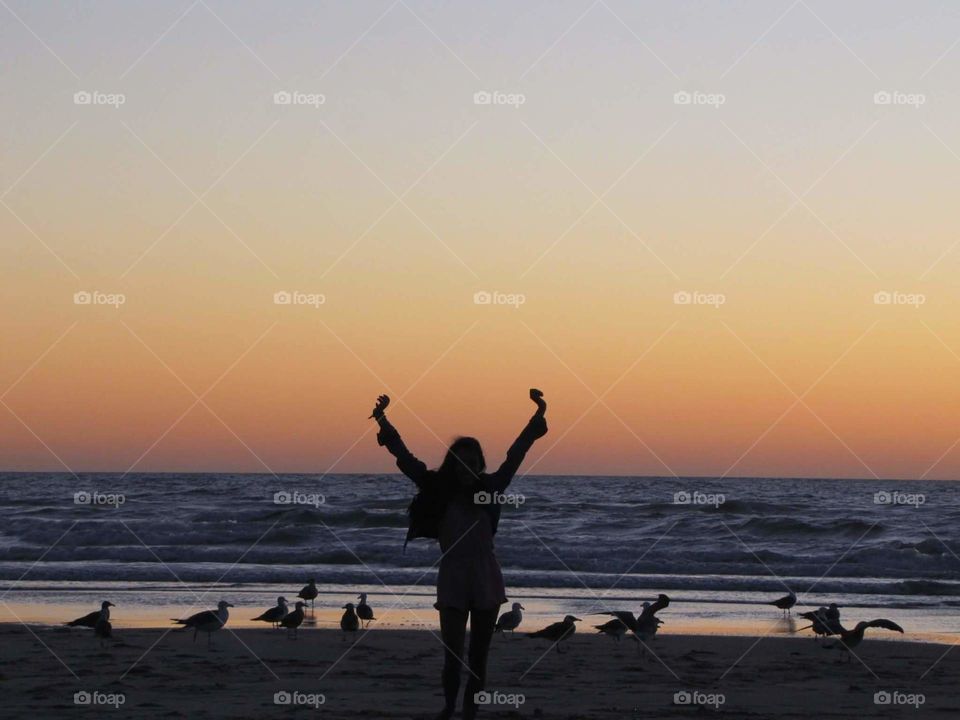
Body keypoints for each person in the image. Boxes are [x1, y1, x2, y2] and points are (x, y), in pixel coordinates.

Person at [371, 389, 548, 720]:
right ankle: (449, 707)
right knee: (452, 654)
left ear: (480, 464)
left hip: (485, 574)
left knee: (479, 655)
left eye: (473, 461)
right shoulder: (437, 488)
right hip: (452, 574)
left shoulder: (490, 490)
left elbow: (516, 456)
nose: (467, 467)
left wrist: (537, 417)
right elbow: (407, 460)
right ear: (451, 464)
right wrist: (383, 420)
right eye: (460, 461)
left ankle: (470, 710)